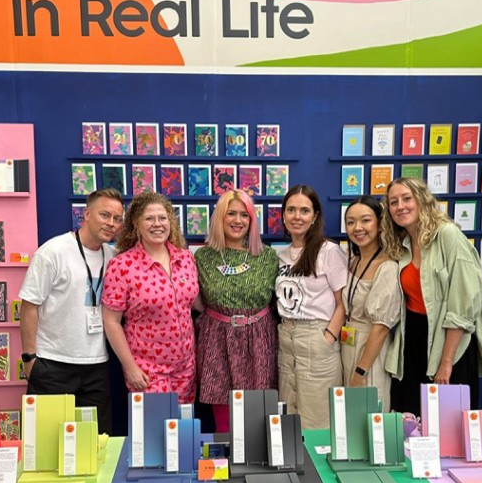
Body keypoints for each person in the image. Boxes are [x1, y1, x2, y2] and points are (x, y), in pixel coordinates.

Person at [382, 177, 482, 483]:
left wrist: (446, 361)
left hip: (449, 345)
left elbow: (463, 305)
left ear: (422, 200)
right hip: (414, 342)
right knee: (417, 427)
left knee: (450, 431)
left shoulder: (448, 236)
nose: (399, 206)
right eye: (392, 201)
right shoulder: (403, 244)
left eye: (406, 198)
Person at [18, 188, 124, 434]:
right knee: (44, 444)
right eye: (105, 215)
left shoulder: (114, 257)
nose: (111, 223)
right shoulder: (53, 252)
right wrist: (29, 359)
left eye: (117, 219)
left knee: (97, 445)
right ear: (86, 214)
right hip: (52, 364)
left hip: (96, 366)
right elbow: (29, 306)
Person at [335, 196, 397, 483]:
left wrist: (361, 371)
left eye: (365, 221)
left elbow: (382, 326)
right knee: (351, 431)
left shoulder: (388, 266)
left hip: (369, 354)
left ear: (379, 223)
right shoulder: (353, 260)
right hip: (348, 346)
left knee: (370, 431)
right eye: (351, 222)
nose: (358, 228)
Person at [193, 190, 279, 433]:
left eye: (244, 215)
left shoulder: (267, 256)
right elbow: (196, 299)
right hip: (216, 340)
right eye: (231, 213)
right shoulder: (204, 257)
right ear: (220, 217)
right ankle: (228, 465)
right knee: (223, 414)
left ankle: (256, 465)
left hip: (258, 338)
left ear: (252, 221)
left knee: (257, 412)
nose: (238, 220)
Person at [102, 190, 199, 404]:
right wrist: (130, 368)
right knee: (155, 433)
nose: (157, 224)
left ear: (170, 222)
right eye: (149, 218)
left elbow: (196, 303)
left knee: (181, 432)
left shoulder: (185, 258)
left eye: (162, 218)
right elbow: (111, 322)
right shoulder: (122, 265)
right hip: (147, 371)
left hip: (186, 369)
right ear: (136, 224)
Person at [275, 185, 348, 429]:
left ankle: (316, 468)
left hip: (316, 338)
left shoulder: (329, 251)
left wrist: (327, 337)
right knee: (290, 415)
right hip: (286, 340)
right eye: (291, 210)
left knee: (318, 420)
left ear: (315, 216)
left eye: (305, 211)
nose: (297, 216)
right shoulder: (281, 255)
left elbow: (342, 304)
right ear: (283, 215)